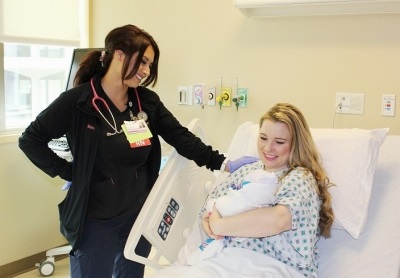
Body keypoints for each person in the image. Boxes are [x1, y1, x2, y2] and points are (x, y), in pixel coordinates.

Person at [18, 24, 256, 278]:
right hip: (95, 219)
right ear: (119, 54)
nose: (146, 70)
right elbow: (30, 139)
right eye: (142, 61)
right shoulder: (78, 102)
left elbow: (181, 137)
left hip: (139, 214)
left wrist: (224, 163)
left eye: (150, 65)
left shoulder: (146, 102)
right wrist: (70, 172)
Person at [151, 103, 335, 277]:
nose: (267, 148)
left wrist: (219, 225)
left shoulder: (299, 177)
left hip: (275, 265)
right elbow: (213, 206)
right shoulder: (248, 169)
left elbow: (279, 219)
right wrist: (209, 221)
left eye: (279, 142)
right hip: (226, 258)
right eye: (263, 138)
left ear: (296, 144)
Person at [187, 169, 278, 265]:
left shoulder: (289, 184)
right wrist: (206, 219)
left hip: (254, 257)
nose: (269, 152)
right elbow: (208, 213)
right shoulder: (244, 168)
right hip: (221, 253)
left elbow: (217, 226)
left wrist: (215, 210)